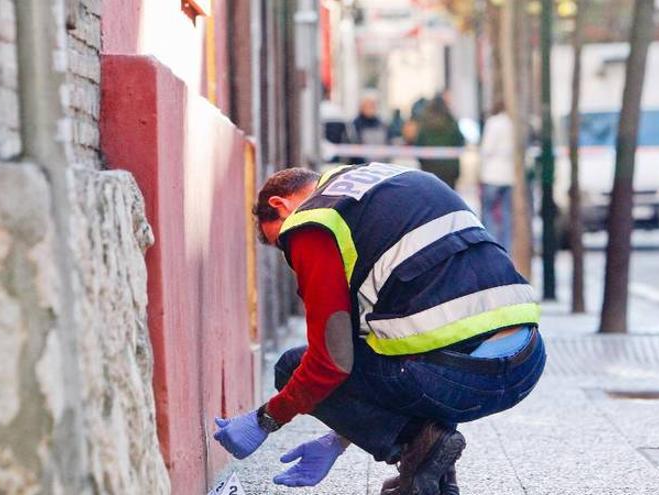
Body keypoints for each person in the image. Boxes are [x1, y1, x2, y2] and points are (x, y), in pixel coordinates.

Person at [213, 164, 546, 494]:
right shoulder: (397, 182)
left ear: (279, 205)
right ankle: (430, 473)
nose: (291, 250)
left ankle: (420, 448)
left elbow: (330, 361)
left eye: (281, 241)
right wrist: (339, 438)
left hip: (456, 377)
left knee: (292, 367)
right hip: (527, 360)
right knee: (409, 346)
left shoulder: (312, 223)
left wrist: (266, 419)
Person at [479, 101, 515, 253]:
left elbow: (487, 149)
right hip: (509, 175)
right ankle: (505, 248)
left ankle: (491, 247)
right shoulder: (513, 124)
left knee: (488, 214)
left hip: (492, 174)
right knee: (506, 215)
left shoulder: (493, 123)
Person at [416, 93, 465, 187]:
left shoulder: (424, 123)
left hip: (429, 168)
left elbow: (419, 144)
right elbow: (460, 141)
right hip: (449, 169)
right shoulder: (451, 121)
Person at [349, 93, 389, 164]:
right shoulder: (355, 124)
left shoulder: (381, 124)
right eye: (367, 106)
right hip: (361, 164)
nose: (370, 108)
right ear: (361, 107)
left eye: (372, 106)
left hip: (380, 164)